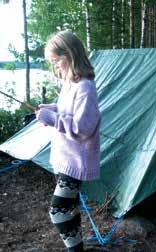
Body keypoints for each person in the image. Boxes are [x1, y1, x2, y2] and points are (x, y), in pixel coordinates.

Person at [36, 30, 101, 252]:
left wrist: (53, 119)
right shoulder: (70, 84)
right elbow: (68, 112)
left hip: (76, 161)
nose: (56, 67)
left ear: (71, 56)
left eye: (57, 61)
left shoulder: (85, 87)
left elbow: (83, 127)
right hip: (64, 157)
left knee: (59, 211)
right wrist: (51, 109)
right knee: (70, 209)